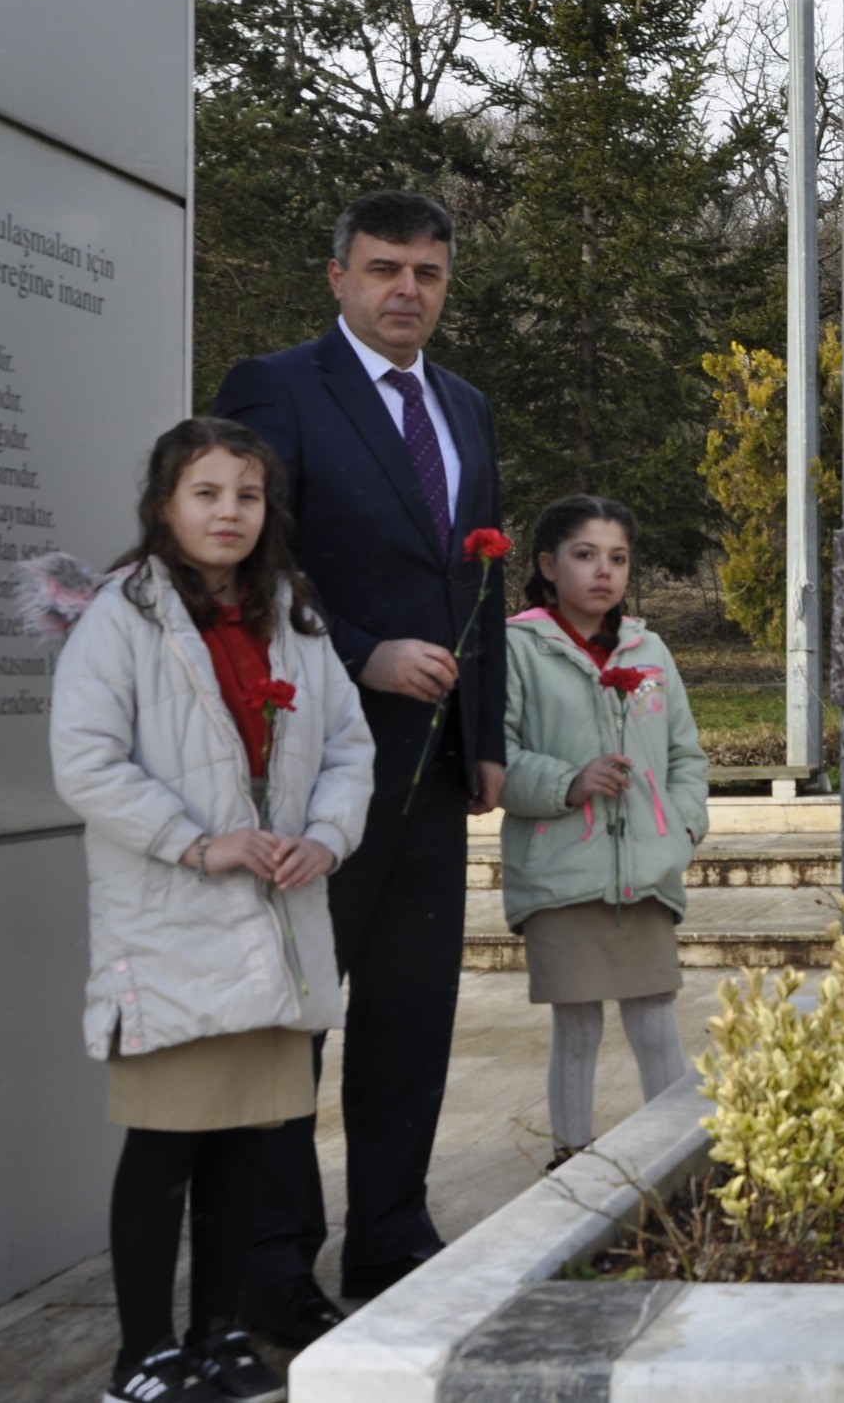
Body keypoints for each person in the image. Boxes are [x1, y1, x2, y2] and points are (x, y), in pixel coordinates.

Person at [214, 190, 506, 1342]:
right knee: (299, 1011)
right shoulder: (275, 388)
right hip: (308, 761)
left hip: (430, 771)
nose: (407, 290)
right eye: (384, 268)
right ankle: (276, 1259)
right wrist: (357, 654)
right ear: (335, 277)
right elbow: (240, 563)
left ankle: (392, 1228)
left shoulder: (467, 406)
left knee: (412, 1011)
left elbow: (474, 582)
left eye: (428, 272)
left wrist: (483, 735)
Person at [50, 418, 375, 1403]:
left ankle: (222, 1330)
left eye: (246, 493)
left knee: (250, 1139)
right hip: (176, 922)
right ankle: (143, 1353)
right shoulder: (123, 615)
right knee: (164, 1148)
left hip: (276, 918)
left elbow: (348, 747)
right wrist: (201, 840)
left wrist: (325, 833)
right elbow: (87, 762)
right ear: (163, 505)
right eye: (206, 492)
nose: (228, 511)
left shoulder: (293, 613)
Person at [499, 496, 710, 1164]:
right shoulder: (517, 648)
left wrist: (680, 829)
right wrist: (568, 781)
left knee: (654, 1017)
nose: (603, 571)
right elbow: (494, 755)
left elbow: (685, 754)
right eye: (584, 555)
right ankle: (572, 1156)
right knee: (578, 1022)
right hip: (562, 870)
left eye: (617, 558)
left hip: (645, 870)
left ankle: (677, 1157)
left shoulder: (650, 650)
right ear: (546, 565)